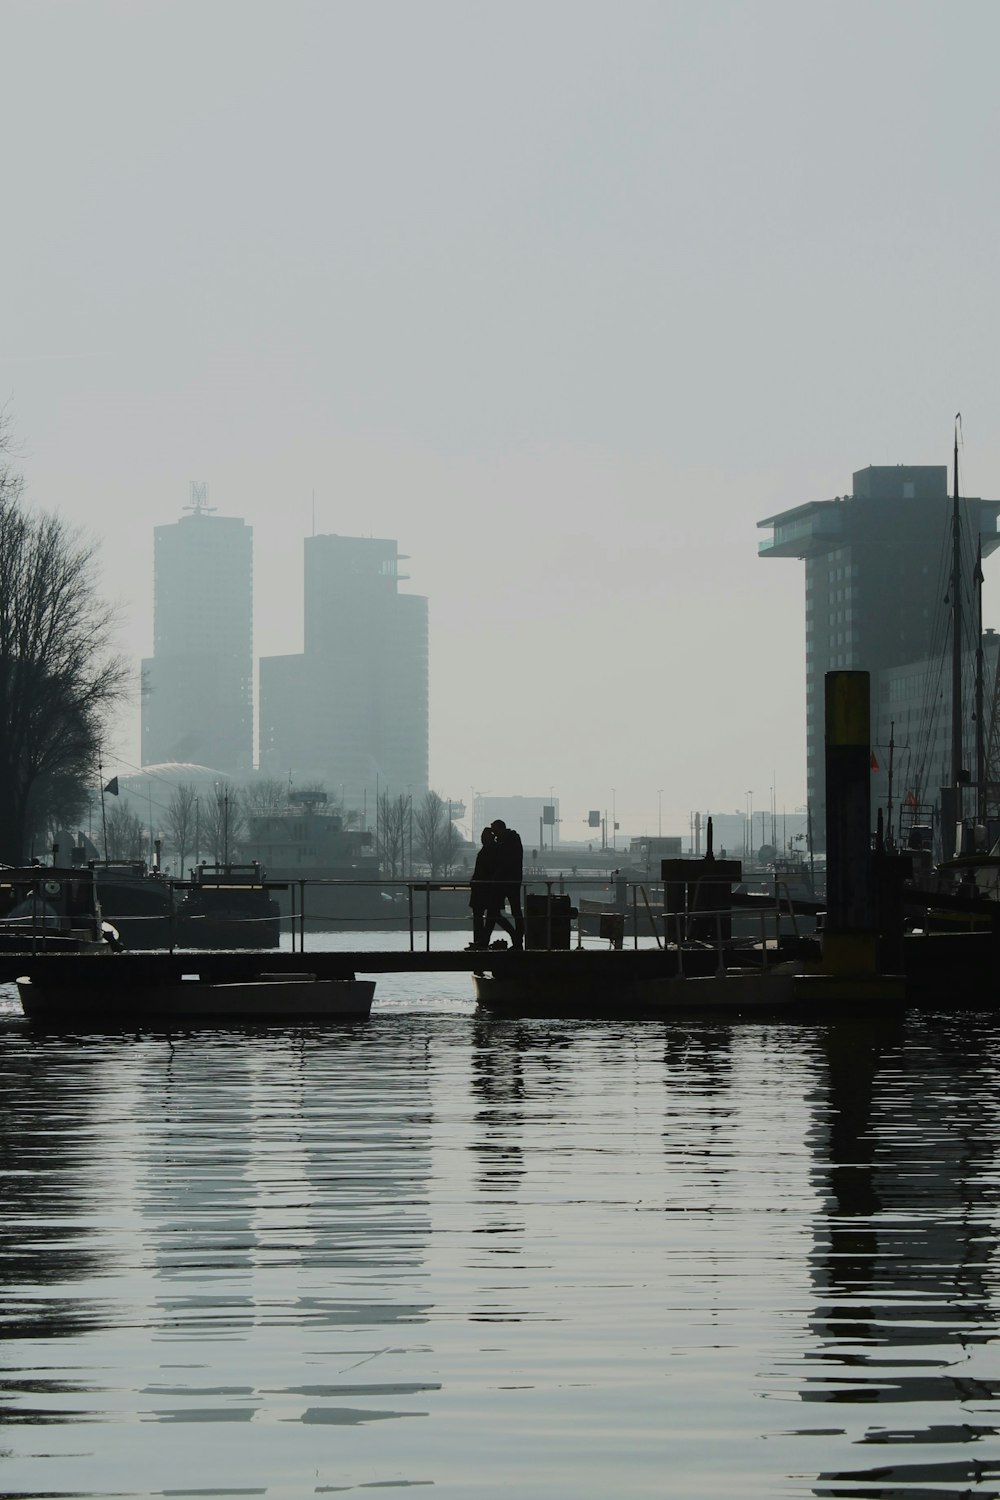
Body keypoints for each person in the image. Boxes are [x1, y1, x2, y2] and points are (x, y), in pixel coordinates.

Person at [488, 819, 524, 950]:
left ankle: (516, 938)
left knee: (496, 911)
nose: (494, 835)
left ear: (500, 829)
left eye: (495, 831)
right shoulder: (512, 840)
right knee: (513, 911)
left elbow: (503, 861)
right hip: (511, 881)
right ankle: (517, 938)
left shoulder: (508, 841)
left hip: (507, 881)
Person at [467, 827, 496, 949]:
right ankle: (481, 941)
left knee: (479, 915)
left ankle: (480, 941)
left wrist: (474, 881)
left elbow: (482, 870)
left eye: (484, 836)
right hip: (484, 888)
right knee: (491, 915)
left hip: (482, 888)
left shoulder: (488, 851)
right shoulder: (492, 850)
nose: (482, 838)